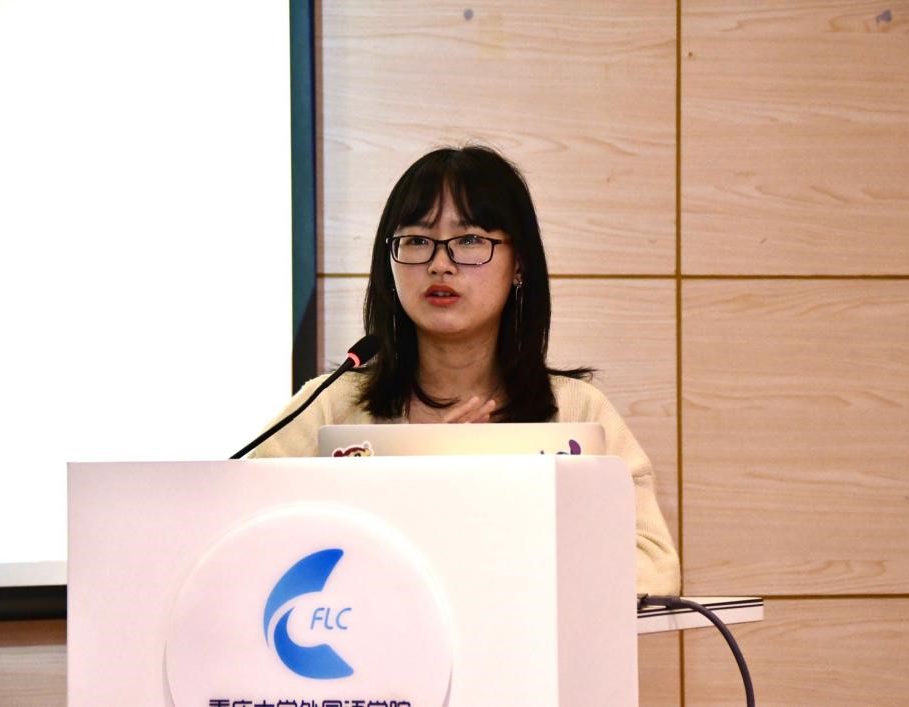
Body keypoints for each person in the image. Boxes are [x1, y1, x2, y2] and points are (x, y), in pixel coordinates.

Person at [251, 145, 680, 595]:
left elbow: (653, 570)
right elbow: (245, 537)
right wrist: (416, 489)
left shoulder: (576, 411)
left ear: (519, 263)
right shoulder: (329, 407)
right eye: (417, 240)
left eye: (470, 240)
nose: (440, 264)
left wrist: (489, 521)